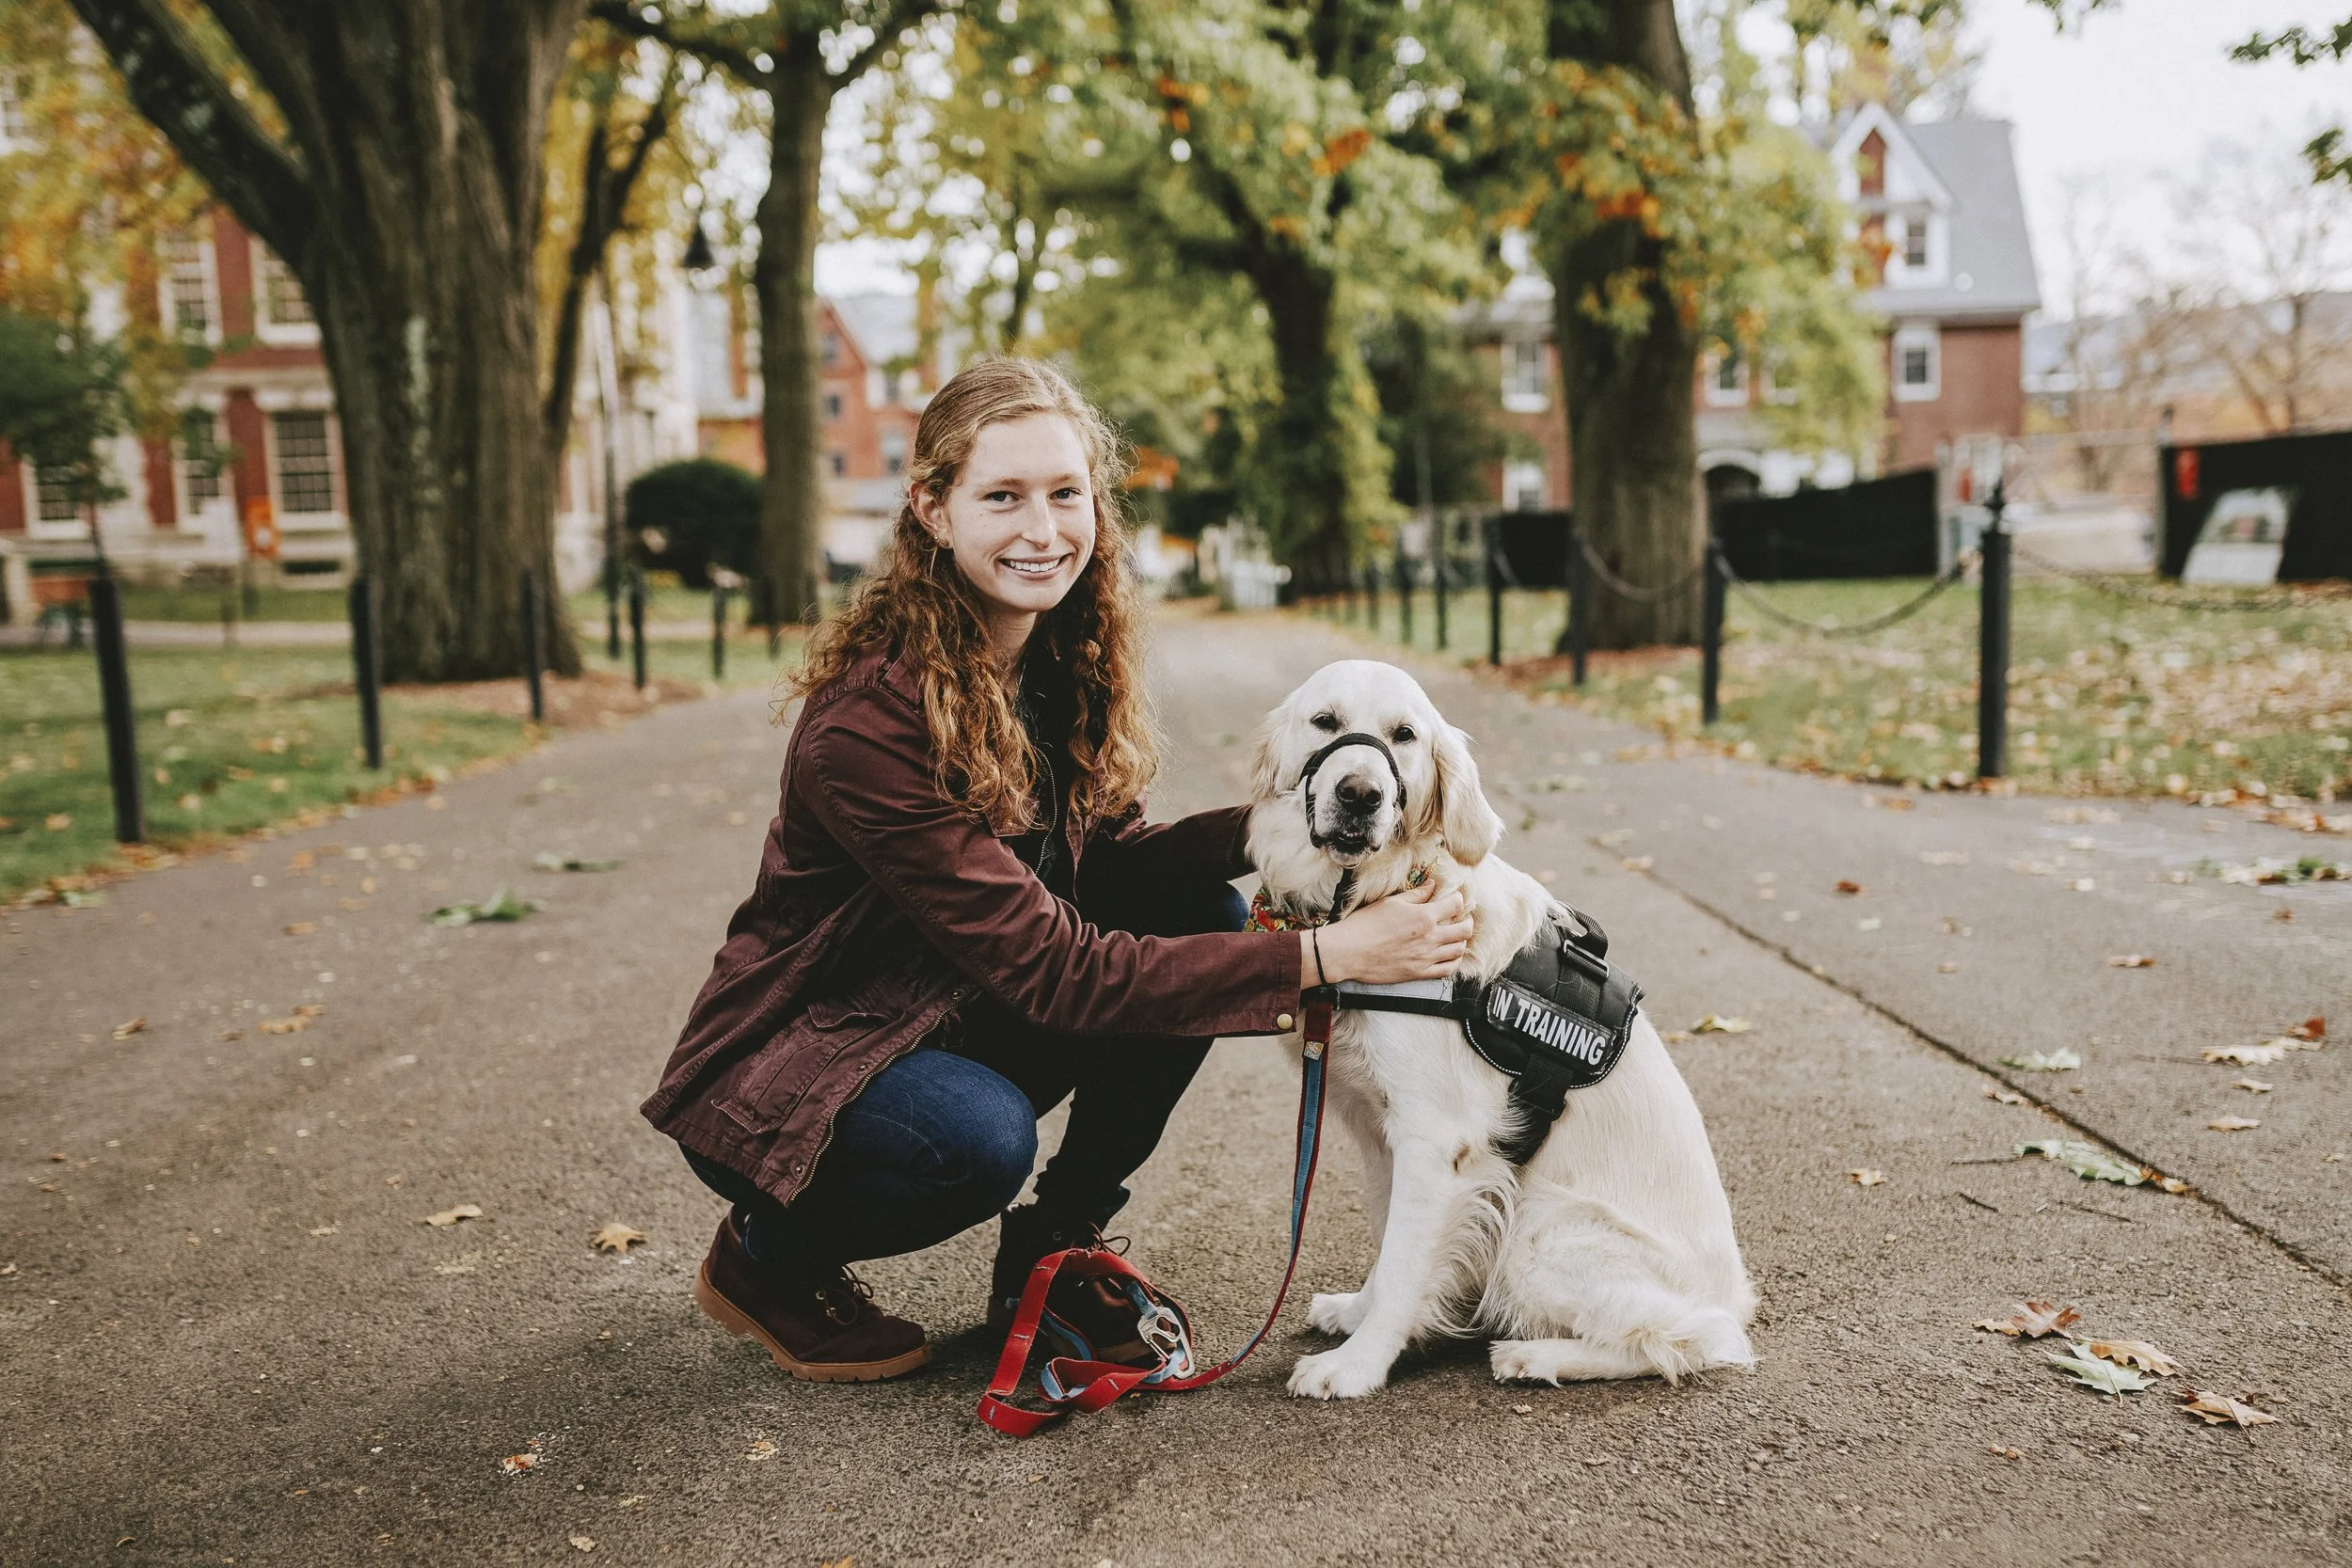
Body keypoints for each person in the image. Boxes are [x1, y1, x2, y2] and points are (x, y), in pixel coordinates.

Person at [644, 357, 1471, 1383]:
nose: (1042, 530)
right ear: (932, 510)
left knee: (1195, 908)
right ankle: (771, 1253)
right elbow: (1058, 972)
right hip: (807, 1059)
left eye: (1064, 494)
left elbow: (1107, 865)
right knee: (972, 1142)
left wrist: (1274, 822)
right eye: (1002, 496)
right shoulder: (870, 723)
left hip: (944, 1000)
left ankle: (1052, 1246)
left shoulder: (1054, 656)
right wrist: (1324, 953)